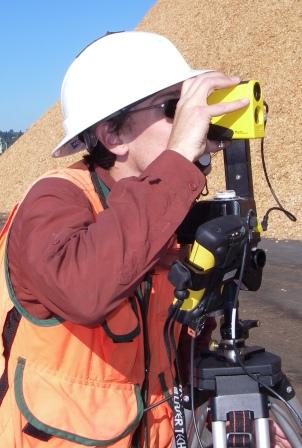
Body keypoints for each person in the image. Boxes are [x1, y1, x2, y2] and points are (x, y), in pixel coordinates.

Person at [0, 31, 291, 448]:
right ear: (113, 136)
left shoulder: (157, 208)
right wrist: (176, 163)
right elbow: (84, 290)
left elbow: (169, 344)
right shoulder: (54, 200)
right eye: (175, 109)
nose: (195, 120)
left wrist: (228, 396)